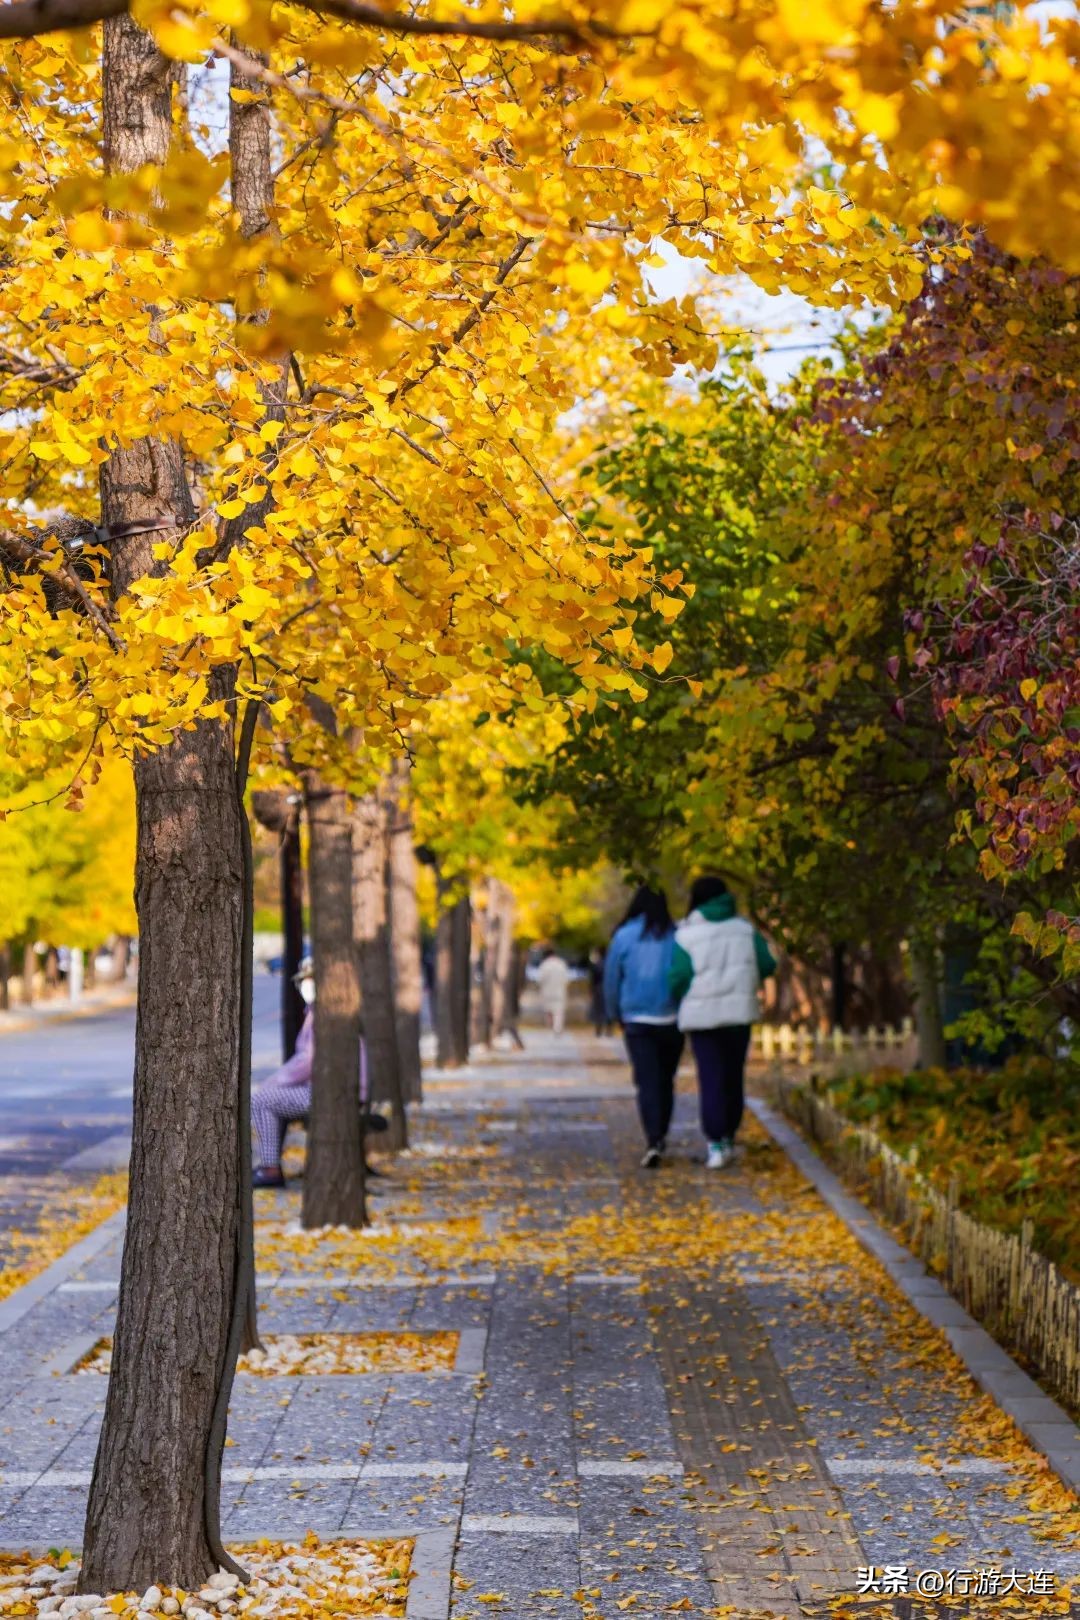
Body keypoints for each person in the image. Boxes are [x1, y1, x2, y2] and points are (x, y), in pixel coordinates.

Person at [670, 875, 776, 1170]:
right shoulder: (745, 930)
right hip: (739, 1014)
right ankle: (729, 1133)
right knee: (733, 1074)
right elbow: (768, 964)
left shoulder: (686, 934)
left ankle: (715, 1142)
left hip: (702, 1018)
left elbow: (677, 977)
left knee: (711, 1076)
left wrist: (688, 995)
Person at [251, 959, 383, 1188]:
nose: (305, 985)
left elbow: (309, 1059)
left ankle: (270, 1168)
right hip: (335, 1090)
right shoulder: (326, 1010)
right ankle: (269, 1164)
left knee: (262, 1100)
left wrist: (275, 1081)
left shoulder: (325, 1013)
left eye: (309, 980)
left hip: (333, 1094)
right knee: (269, 1098)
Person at [604, 886, 682, 1169]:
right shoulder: (676, 935)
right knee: (665, 1079)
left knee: (646, 1080)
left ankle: (653, 1138)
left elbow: (612, 978)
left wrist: (614, 1013)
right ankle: (661, 1133)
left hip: (636, 1019)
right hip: (672, 1018)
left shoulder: (624, 936)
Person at [536, 947, 571, 1033]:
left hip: (547, 991)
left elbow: (540, 979)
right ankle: (557, 1028)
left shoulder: (544, 965)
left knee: (548, 1010)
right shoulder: (561, 964)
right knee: (558, 1011)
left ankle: (550, 1026)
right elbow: (566, 978)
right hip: (560, 991)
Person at [587, 947, 610, 1036]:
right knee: (608, 1009)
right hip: (608, 989)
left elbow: (593, 979)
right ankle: (609, 1030)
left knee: (598, 1010)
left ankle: (598, 1030)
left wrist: (591, 990)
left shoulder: (597, 965)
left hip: (598, 989)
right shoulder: (610, 964)